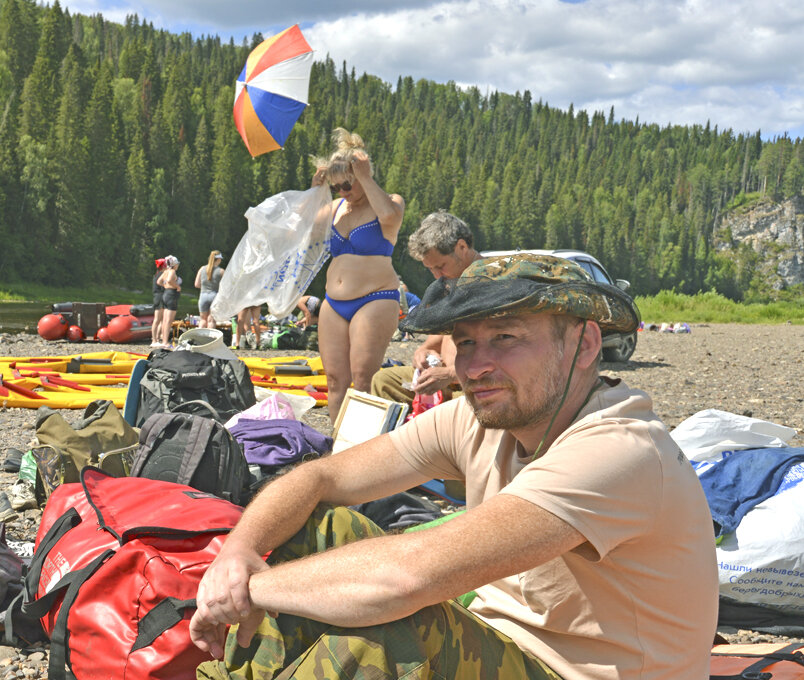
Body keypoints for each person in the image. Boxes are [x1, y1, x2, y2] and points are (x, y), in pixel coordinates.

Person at [190, 253, 718, 680]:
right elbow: (320, 477)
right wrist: (237, 554)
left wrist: (246, 590)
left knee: (391, 628)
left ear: (584, 345)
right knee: (326, 525)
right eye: (465, 342)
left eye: (506, 338)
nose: (475, 366)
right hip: (498, 645)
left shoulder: (620, 451)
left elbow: (405, 578)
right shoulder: (482, 415)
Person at [310, 128, 405, 424]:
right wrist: (316, 193)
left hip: (375, 298)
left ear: (362, 174)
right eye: (338, 186)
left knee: (364, 378)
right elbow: (307, 233)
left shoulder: (389, 201)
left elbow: (390, 217)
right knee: (336, 381)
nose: (345, 190)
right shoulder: (336, 207)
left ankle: (364, 446)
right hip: (334, 303)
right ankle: (339, 444)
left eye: (349, 183)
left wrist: (364, 177)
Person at [372, 211, 482, 404]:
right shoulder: (450, 283)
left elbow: (503, 356)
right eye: (430, 268)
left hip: (477, 386)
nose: (436, 276)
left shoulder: (493, 285)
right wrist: (422, 352)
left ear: (462, 247)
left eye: (440, 266)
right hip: (445, 378)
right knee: (384, 381)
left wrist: (449, 374)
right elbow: (438, 339)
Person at [194, 251, 225, 328]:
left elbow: (197, 284)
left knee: (203, 320)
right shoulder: (221, 271)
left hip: (203, 296)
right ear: (218, 259)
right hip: (214, 296)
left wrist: (205, 287)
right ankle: (210, 339)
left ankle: (200, 338)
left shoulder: (202, 269)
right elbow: (225, 287)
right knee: (211, 320)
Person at [156, 255, 181, 348]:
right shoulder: (172, 271)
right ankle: (165, 342)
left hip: (165, 294)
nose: (178, 265)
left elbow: (159, 281)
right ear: (174, 264)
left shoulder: (165, 271)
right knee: (168, 321)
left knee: (165, 320)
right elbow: (170, 280)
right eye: (177, 264)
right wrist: (177, 286)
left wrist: (165, 285)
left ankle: (164, 340)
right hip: (171, 295)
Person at [150, 258, 167, 348]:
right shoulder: (163, 274)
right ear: (164, 266)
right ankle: (154, 340)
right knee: (157, 319)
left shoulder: (156, 274)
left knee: (161, 320)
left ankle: (157, 338)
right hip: (160, 297)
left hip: (157, 297)